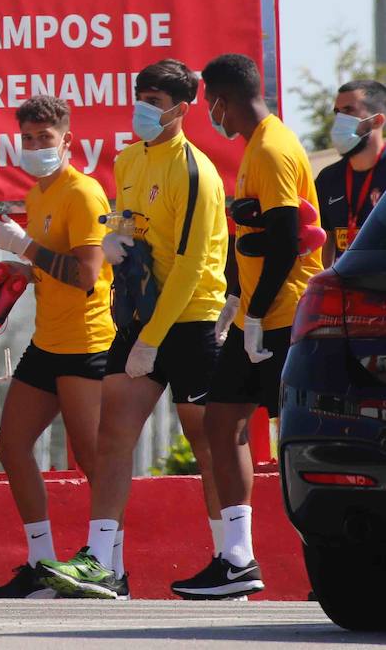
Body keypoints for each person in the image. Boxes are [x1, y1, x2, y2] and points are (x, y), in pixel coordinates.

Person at [39, 60, 228, 600]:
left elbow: (191, 264)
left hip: (190, 320)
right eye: (140, 97)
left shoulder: (195, 170)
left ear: (181, 109)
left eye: (155, 101)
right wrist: (115, 239)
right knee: (112, 435)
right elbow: (124, 218)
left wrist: (152, 340)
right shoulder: (126, 158)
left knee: (206, 444)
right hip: (141, 317)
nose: (143, 109)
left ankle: (231, 558)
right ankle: (104, 562)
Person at [170, 53, 322, 599]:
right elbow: (256, 235)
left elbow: (285, 241)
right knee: (221, 423)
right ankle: (237, 560)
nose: (212, 114)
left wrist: (255, 316)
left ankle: (329, 561)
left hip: (286, 318)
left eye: (211, 102)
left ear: (223, 98)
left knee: (298, 445)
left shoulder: (274, 147)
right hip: (257, 317)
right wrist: (236, 306)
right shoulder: (255, 145)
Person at [0, 96, 113, 598]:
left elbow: (86, 275)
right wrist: (22, 269)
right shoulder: (38, 195)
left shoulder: (84, 193)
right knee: (10, 445)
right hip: (48, 340)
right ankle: (41, 565)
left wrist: (24, 248)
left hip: (86, 343)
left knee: (92, 457)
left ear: (68, 142)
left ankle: (110, 567)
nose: (36, 147)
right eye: (29, 139)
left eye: (46, 139)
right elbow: (51, 266)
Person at [314, 79, 386, 267]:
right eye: (337, 112)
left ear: (377, 120)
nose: (340, 120)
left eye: (348, 111)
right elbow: (323, 239)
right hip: (346, 291)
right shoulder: (327, 179)